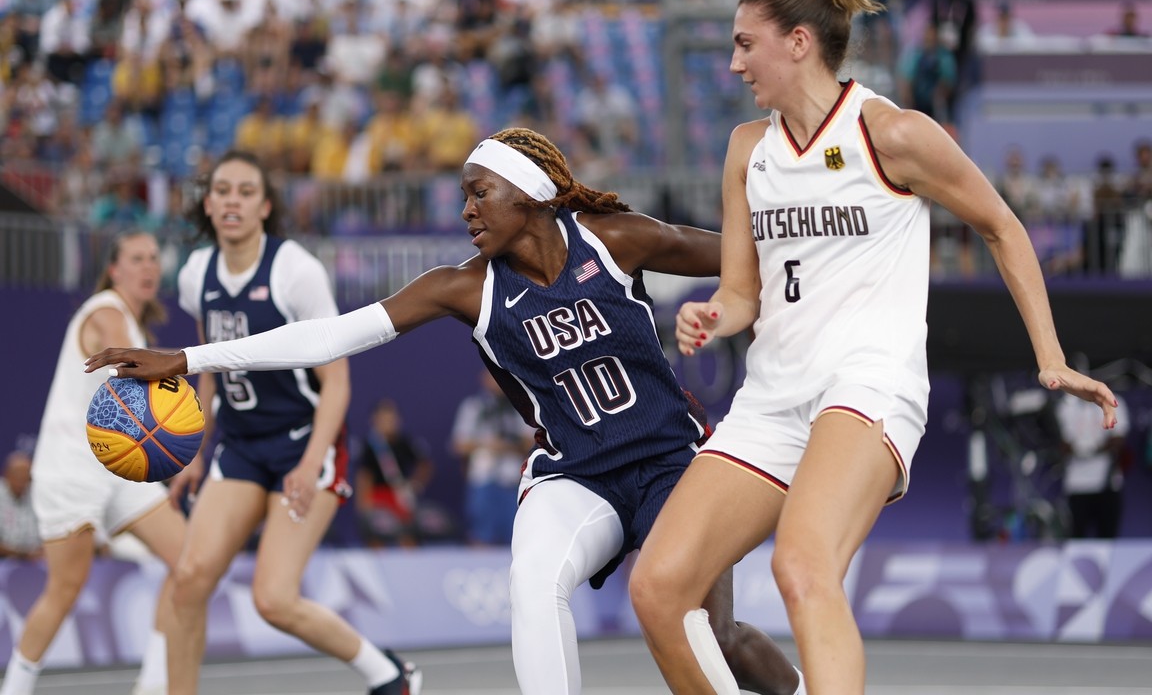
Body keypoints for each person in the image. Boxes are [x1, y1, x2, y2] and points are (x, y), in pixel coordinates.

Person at [86, 128, 805, 695]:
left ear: (526, 194)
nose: (465, 210)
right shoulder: (462, 288)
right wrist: (190, 358)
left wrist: (765, 290)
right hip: (577, 473)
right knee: (532, 580)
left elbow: (750, 261)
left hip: (671, 463)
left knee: (717, 637)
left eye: (478, 193)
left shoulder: (616, 241)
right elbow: (330, 335)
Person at [623, 0, 1119, 695]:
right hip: (773, 397)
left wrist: (1049, 354)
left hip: (869, 385)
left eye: (744, 44)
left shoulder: (891, 134)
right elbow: (744, 293)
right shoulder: (743, 149)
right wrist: (712, 313)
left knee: (802, 564)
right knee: (658, 589)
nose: (733, 63)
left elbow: (1002, 227)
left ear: (797, 42)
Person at [165, 150, 418, 695]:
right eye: (223, 190)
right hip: (238, 443)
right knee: (187, 582)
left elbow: (338, 383)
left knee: (273, 599)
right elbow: (209, 367)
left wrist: (307, 467)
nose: (232, 200)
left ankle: (390, 675)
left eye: (246, 191)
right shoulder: (194, 275)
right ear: (208, 205)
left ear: (264, 206)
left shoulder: (295, 271)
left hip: (304, 440)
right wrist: (195, 449)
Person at [0, 232, 186, 695]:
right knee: (66, 588)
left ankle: (154, 685)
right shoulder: (106, 310)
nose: (148, 267)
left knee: (191, 562)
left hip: (121, 466)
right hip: (70, 470)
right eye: (136, 258)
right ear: (114, 269)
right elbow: (123, 351)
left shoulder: (136, 324)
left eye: (153, 259)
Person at [451, 369, 535, 545]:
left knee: (516, 534)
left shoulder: (520, 404)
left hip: (512, 479)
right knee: (480, 533)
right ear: (484, 379)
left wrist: (506, 446)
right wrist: (488, 444)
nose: (496, 382)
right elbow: (459, 444)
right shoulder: (473, 406)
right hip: (482, 478)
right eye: (491, 377)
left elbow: (531, 442)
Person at [356, 399, 448, 547]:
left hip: (400, 496)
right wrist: (363, 505)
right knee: (376, 534)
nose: (388, 422)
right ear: (375, 420)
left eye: (391, 417)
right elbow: (364, 477)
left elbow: (425, 464)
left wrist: (415, 484)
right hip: (378, 496)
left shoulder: (406, 442)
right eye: (384, 418)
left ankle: (409, 566)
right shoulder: (369, 445)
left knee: (407, 534)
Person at [1058, 364, 1130, 538]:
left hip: (1107, 482)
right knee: (1077, 538)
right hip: (1078, 484)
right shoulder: (1066, 406)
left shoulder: (1114, 401)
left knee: (1107, 538)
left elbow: (1119, 439)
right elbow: (1064, 444)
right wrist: (1084, 449)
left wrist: (1092, 449)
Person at [0, 450, 40, 559]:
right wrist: (21, 554)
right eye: (17, 474)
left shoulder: (37, 494)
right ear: (6, 474)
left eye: (25, 476)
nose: (21, 480)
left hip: (36, 561)